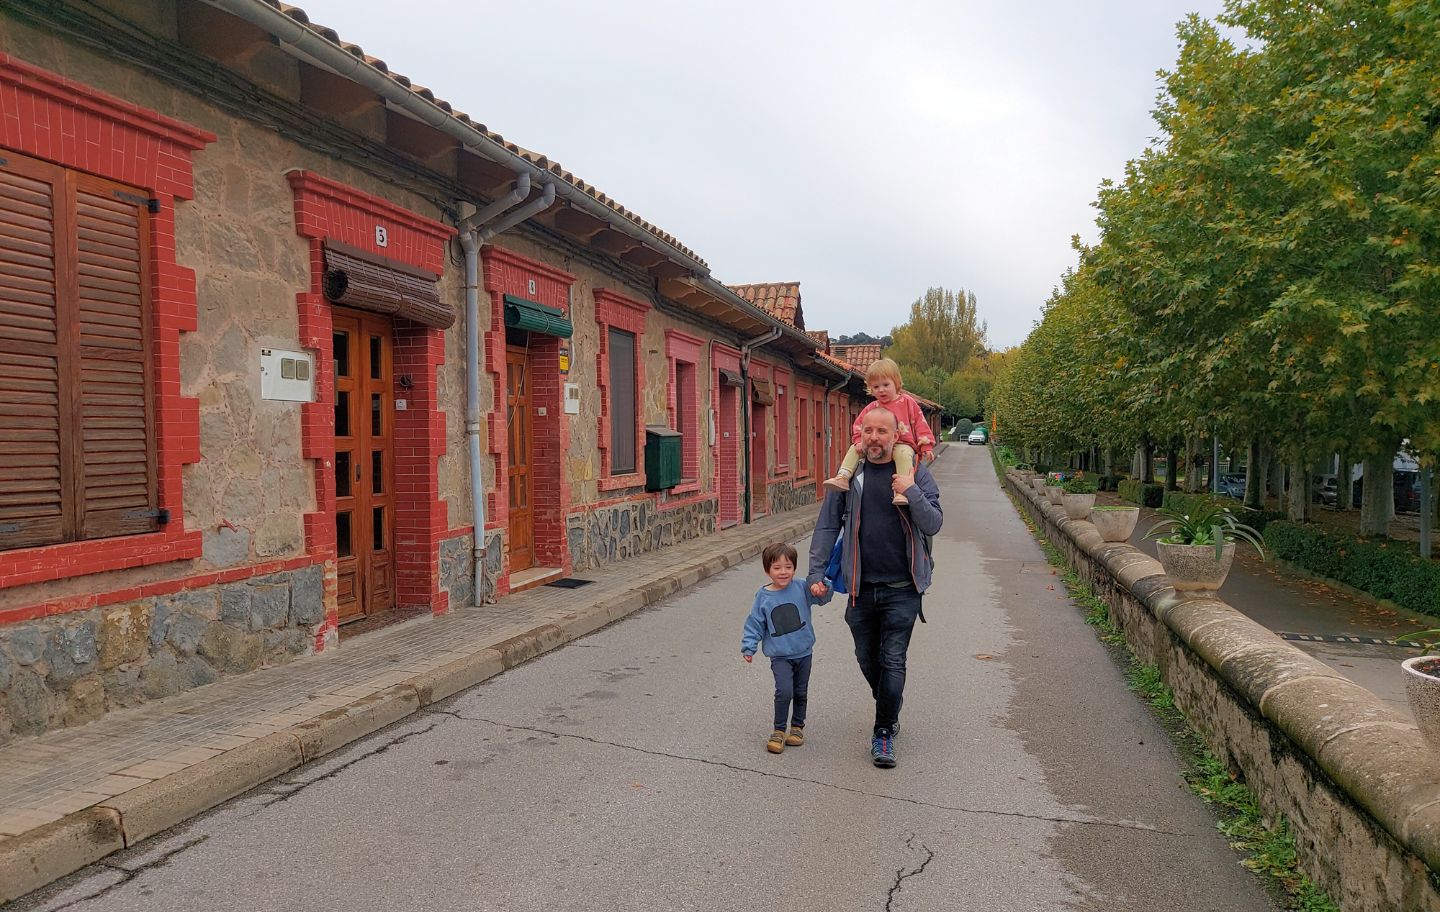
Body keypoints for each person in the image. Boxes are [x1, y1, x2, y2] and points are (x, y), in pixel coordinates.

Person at [807, 406, 942, 769]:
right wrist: (815, 573)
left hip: (903, 588)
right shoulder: (849, 477)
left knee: (892, 659)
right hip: (859, 588)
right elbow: (826, 527)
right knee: (867, 658)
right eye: (868, 431)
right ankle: (889, 704)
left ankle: (883, 731)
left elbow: (933, 524)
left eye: (882, 432)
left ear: (895, 434)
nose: (874, 438)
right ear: (860, 435)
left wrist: (911, 491)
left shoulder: (915, 473)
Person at [741, 542, 831, 754]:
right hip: (780, 655)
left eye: (788, 567)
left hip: (804, 652)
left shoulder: (801, 587)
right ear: (767, 570)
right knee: (784, 691)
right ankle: (779, 730)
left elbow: (823, 598)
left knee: (800, 692)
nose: (783, 572)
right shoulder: (763, 596)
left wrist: (822, 586)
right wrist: (749, 646)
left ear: (794, 568)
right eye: (777, 568)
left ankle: (797, 727)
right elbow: (755, 622)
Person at [823, 358, 936, 505]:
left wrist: (926, 446)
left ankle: (902, 491)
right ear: (870, 388)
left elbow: (920, 423)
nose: (881, 390)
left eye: (886, 385)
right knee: (854, 449)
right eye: (876, 387)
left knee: (903, 455)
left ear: (896, 382)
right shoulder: (872, 407)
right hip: (875, 444)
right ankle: (843, 477)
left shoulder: (907, 402)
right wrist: (858, 441)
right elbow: (858, 426)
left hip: (902, 443)